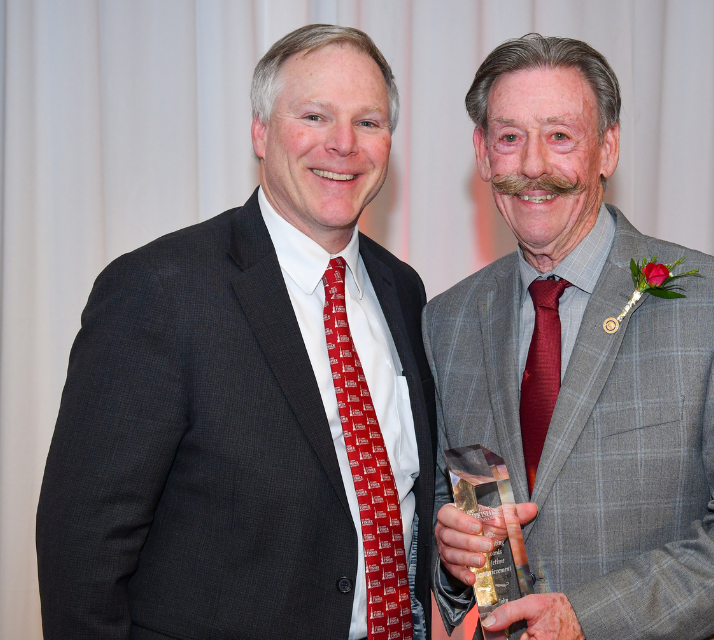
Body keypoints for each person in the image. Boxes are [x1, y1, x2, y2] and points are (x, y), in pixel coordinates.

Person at [36, 24, 435, 640]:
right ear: (260, 131)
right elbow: (84, 548)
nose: (343, 144)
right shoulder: (159, 291)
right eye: (314, 115)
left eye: (369, 123)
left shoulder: (402, 291)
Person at [425, 34, 714, 640]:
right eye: (509, 137)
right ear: (482, 153)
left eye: (560, 137)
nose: (532, 166)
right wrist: (452, 556)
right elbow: (445, 519)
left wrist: (589, 618)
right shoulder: (446, 321)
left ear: (607, 149)